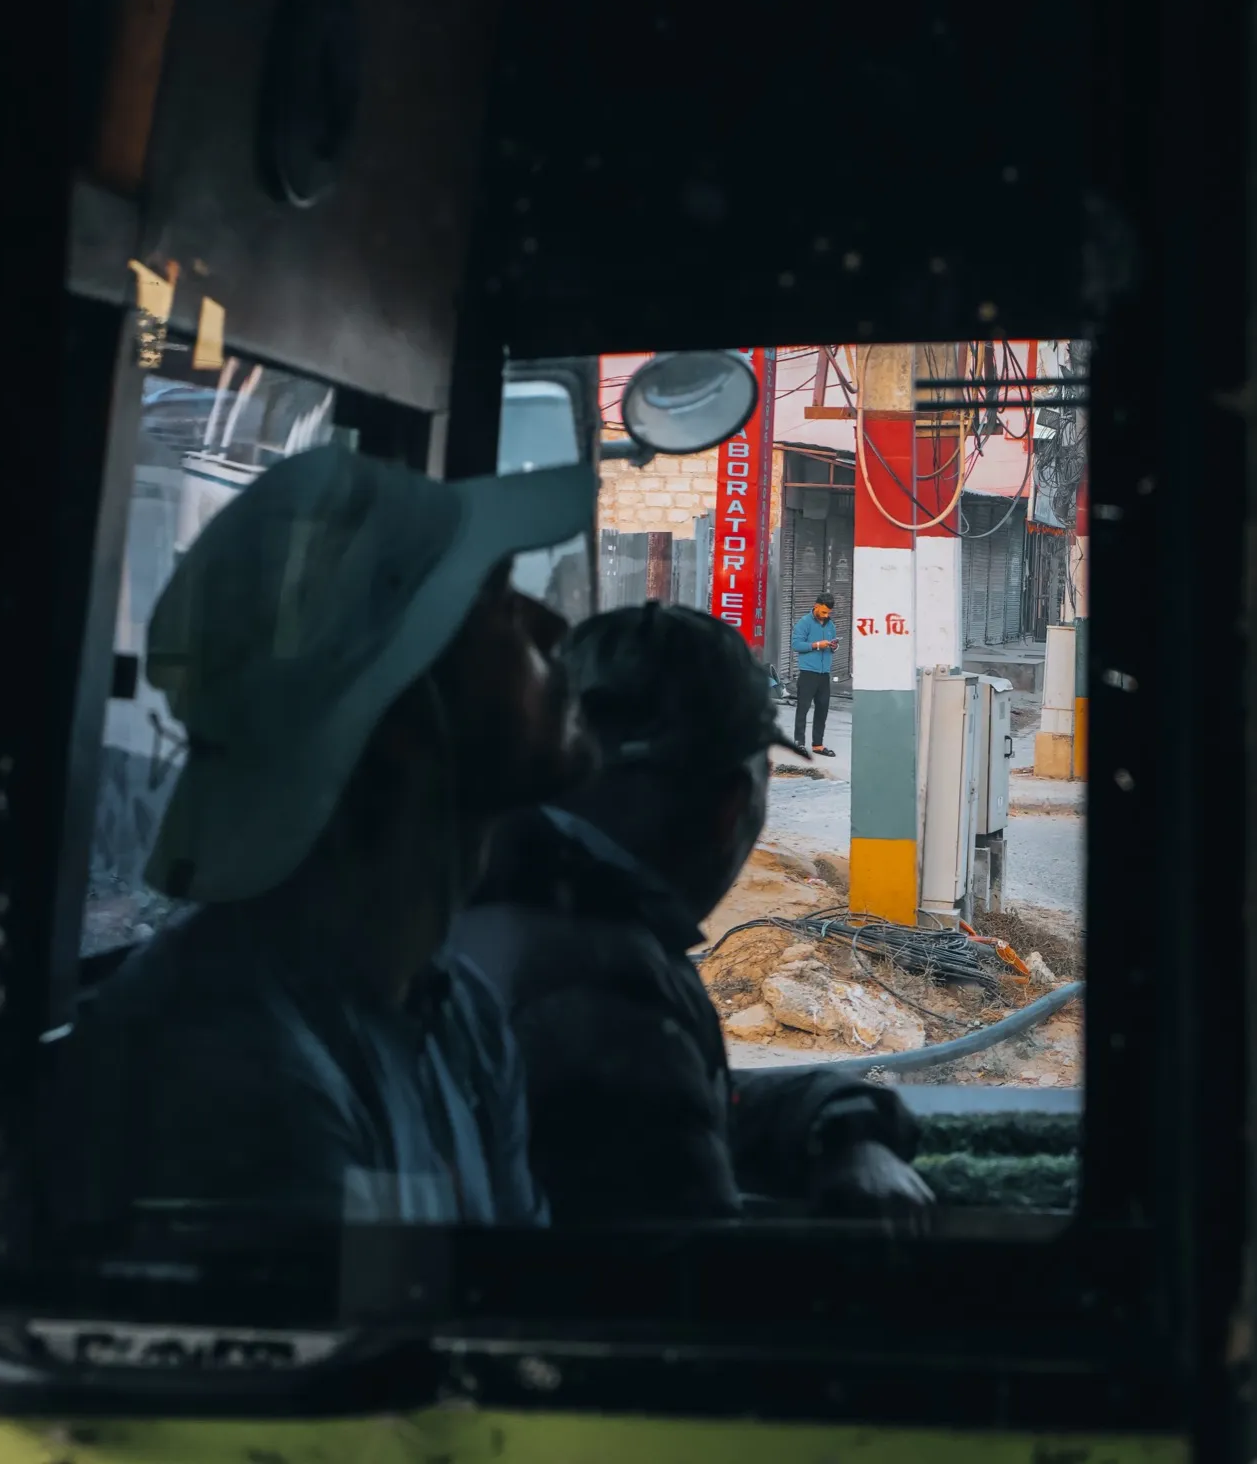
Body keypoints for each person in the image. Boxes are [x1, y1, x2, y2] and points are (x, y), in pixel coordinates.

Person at [47, 444, 596, 1235]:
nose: (553, 625)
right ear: (397, 711)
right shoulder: (235, 1071)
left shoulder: (454, 1013)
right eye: (495, 601)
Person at [454, 603, 932, 1224]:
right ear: (732, 805)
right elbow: (681, 1263)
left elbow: (681, 1105)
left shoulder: (504, 902)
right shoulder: (608, 989)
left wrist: (836, 1118)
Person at [791, 591, 839, 755]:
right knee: (803, 709)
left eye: (828, 613)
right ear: (816, 606)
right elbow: (796, 645)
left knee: (822, 709)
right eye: (823, 611)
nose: (826, 615)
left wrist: (833, 646)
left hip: (824, 674)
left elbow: (832, 644)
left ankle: (818, 744)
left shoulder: (830, 625)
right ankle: (799, 743)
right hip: (808, 673)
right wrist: (817, 645)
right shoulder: (804, 623)